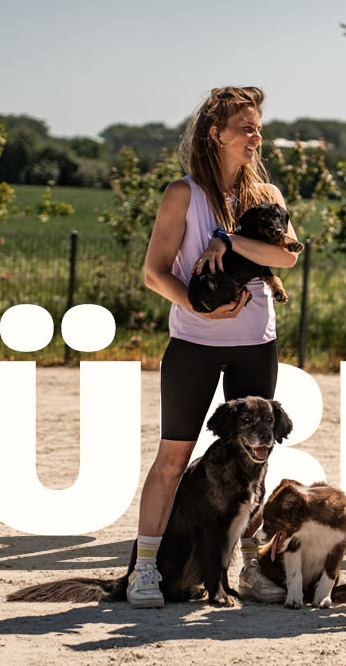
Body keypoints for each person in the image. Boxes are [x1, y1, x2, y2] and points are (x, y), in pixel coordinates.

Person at [133, 86, 302, 607]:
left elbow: (288, 257)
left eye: (257, 127)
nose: (256, 136)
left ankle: (248, 565)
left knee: (257, 460)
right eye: (246, 127)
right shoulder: (182, 194)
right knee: (172, 458)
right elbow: (153, 273)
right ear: (216, 133)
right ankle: (144, 570)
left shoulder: (266, 197)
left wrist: (228, 241)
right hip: (194, 343)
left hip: (257, 341)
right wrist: (194, 304)